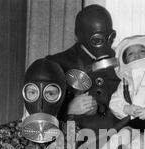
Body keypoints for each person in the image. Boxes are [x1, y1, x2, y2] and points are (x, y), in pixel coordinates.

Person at [46, 4, 121, 133]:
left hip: (115, 142)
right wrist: (68, 109)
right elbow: (38, 112)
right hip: (72, 144)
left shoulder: (124, 63)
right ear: (78, 36)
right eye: (97, 40)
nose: (105, 45)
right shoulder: (55, 64)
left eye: (110, 38)